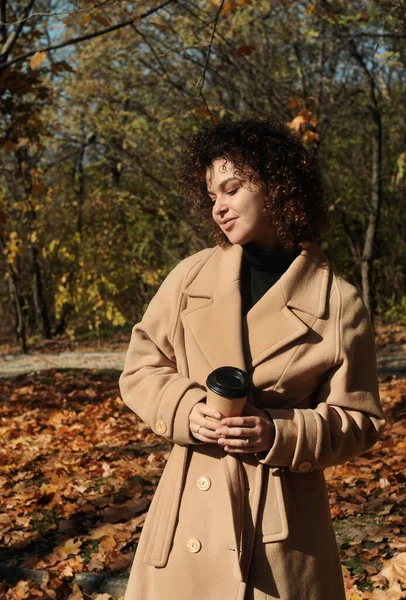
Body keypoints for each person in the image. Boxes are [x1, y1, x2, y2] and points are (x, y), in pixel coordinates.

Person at [119, 117, 386, 600]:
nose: (218, 207)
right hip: (185, 521)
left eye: (231, 188)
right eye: (212, 195)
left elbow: (360, 420)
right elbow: (141, 368)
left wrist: (277, 433)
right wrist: (186, 410)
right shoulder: (189, 276)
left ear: (278, 183)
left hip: (280, 537)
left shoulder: (337, 302)